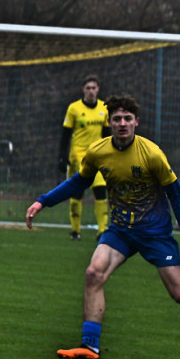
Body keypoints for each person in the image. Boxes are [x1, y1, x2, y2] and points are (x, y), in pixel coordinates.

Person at [27, 94, 180, 359]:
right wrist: (43, 202)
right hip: (120, 230)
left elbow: (177, 197)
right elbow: (77, 183)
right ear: (109, 122)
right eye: (117, 119)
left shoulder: (152, 154)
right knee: (93, 273)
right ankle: (90, 345)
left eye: (127, 119)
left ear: (136, 122)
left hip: (155, 233)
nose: (122, 123)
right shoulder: (98, 152)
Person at [58, 75, 110, 241]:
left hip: (98, 156)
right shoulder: (74, 108)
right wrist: (61, 155)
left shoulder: (104, 108)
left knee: (101, 190)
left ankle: (102, 230)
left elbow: (108, 135)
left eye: (93, 88)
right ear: (83, 90)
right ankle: (75, 230)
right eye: (88, 88)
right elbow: (65, 134)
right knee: (77, 192)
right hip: (78, 156)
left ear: (98, 89)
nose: (91, 91)